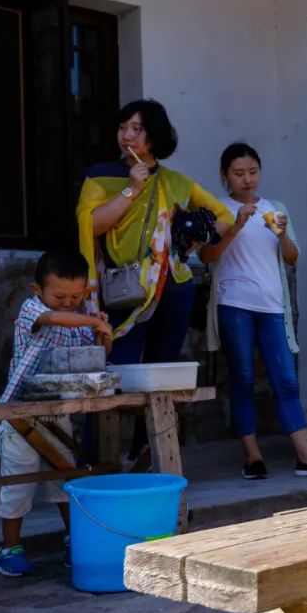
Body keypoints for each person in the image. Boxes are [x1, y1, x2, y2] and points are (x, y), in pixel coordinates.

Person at [76, 100, 234, 459]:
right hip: (125, 290)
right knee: (113, 374)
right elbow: (91, 225)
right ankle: (95, 464)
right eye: (123, 127)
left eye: (137, 129)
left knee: (161, 374)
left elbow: (223, 216)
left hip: (174, 289)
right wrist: (131, 189)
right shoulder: (102, 175)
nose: (127, 135)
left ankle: (148, 458)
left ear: (155, 135)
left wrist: (189, 240)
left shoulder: (176, 181)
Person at [201, 143, 307, 480]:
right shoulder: (218, 210)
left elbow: (292, 258)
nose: (247, 179)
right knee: (242, 380)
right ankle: (253, 457)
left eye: (253, 172)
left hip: (272, 306)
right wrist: (235, 226)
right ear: (225, 176)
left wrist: (281, 235)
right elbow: (207, 256)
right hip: (234, 304)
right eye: (239, 173)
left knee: (286, 381)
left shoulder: (275, 208)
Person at [0, 252, 112, 577]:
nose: (68, 303)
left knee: (66, 477)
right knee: (18, 484)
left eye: (76, 297)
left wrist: (103, 335)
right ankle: (9, 549)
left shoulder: (80, 322)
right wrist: (92, 321)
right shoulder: (32, 310)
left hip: (58, 414)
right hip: (19, 414)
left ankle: (75, 540)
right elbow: (54, 318)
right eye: (60, 297)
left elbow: (99, 355)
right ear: (38, 290)